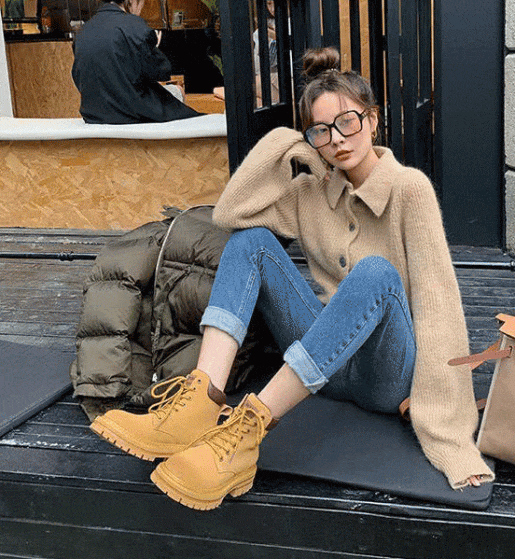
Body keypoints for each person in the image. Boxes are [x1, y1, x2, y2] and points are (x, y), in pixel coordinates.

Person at [90, 46, 494, 509]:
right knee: (252, 242)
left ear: (373, 120)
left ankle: (249, 431)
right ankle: (201, 401)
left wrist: (447, 428)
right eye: (321, 131)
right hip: (326, 366)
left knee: (376, 273)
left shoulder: (409, 189)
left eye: (347, 122)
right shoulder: (309, 192)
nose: (337, 140)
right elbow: (231, 213)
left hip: (386, 374)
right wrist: (286, 143)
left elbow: (439, 306)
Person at [72, 0, 202, 124]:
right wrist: (155, 48)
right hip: (131, 113)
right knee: (179, 93)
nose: (139, 12)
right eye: (141, 5)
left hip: (94, 114)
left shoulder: (83, 30)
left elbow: (79, 75)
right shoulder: (134, 25)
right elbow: (160, 72)